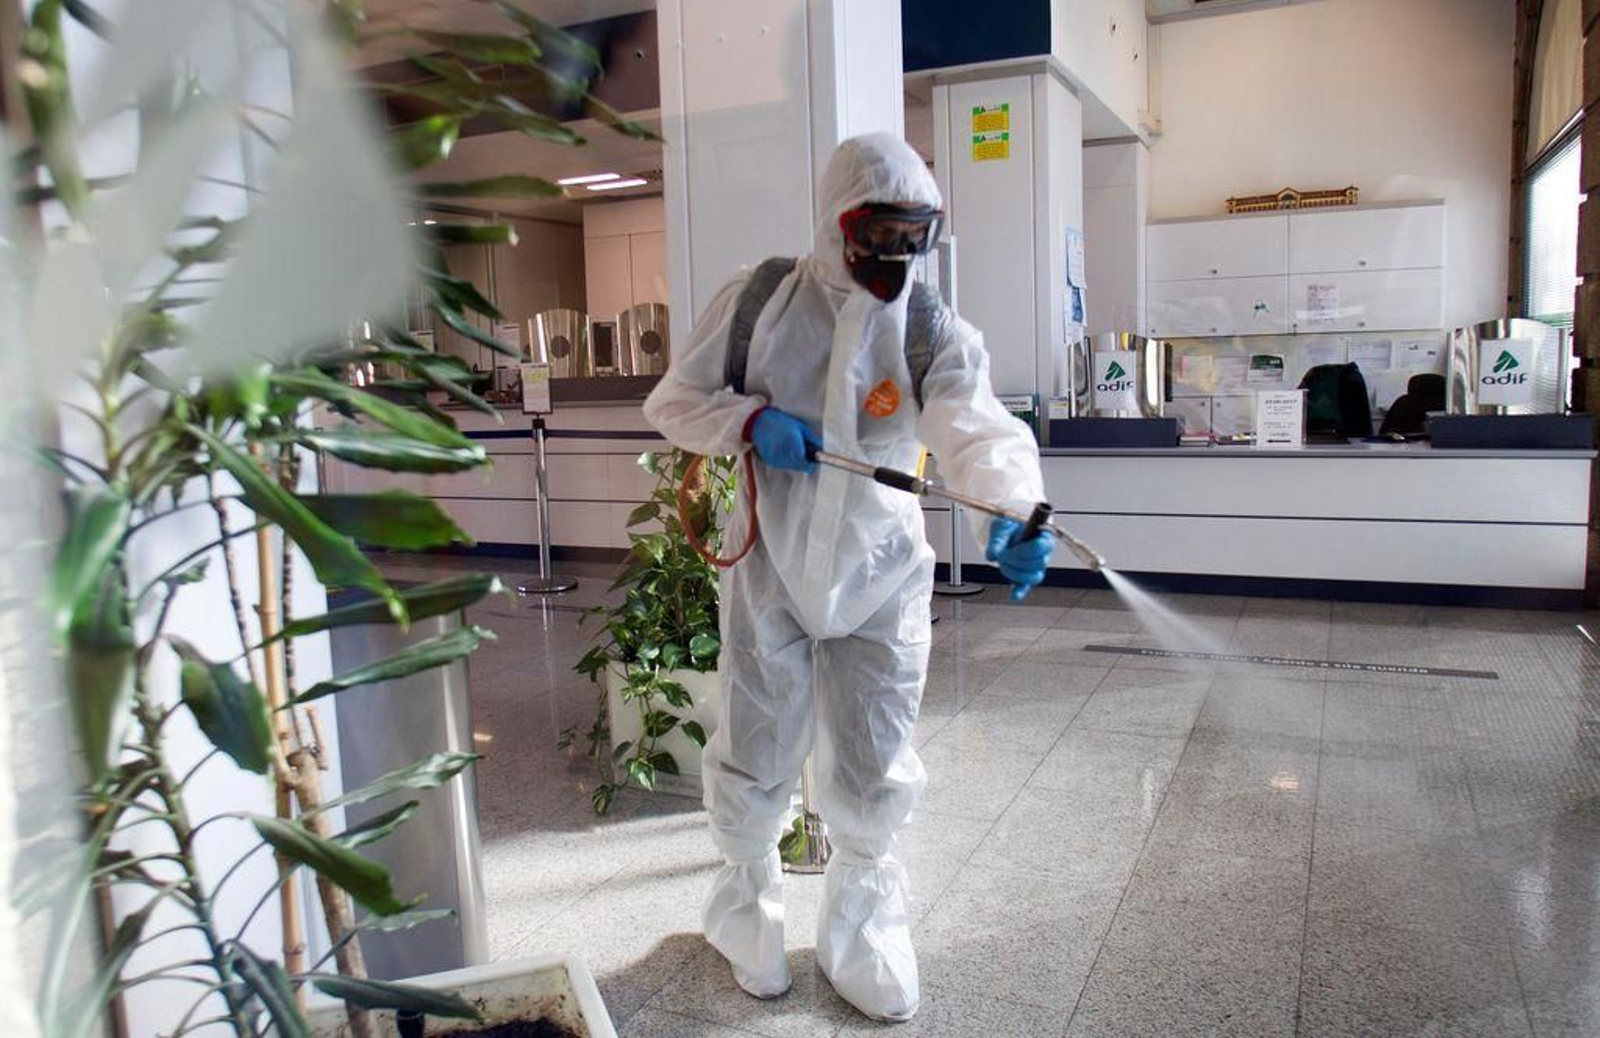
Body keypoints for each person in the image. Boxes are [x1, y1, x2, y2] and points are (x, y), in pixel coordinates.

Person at [642, 132, 1052, 1022]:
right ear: (838, 223)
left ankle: (861, 929)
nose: (895, 256)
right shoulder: (759, 304)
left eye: (913, 237)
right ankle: (744, 911)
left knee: (875, 755)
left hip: (881, 574)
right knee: (756, 745)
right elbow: (673, 402)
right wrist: (749, 422)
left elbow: (975, 428)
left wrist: (1012, 510)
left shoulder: (928, 327)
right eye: (879, 234)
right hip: (772, 565)